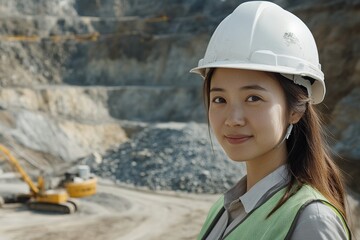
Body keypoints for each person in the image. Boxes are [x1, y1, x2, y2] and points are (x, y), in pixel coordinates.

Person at [190, 1, 352, 240]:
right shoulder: (222, 209)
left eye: (253, 98)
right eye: (219, 99)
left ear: (295, 110)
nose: (233, 119)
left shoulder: (311, 221)